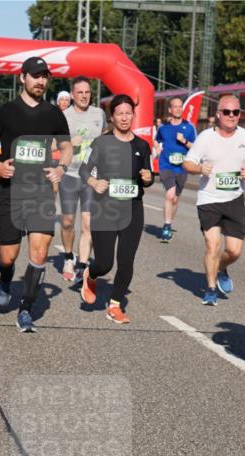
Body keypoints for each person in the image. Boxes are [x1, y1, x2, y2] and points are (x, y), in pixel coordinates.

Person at [0, 56, 72, 333]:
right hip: (11, 192)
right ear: (23, 78)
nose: (41, 81)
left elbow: (66, 147)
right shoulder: (7, 111)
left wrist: (62, 168)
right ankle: (5, 277)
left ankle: (26, 309)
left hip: (41, 192)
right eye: (35, 75)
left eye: (45, 76)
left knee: (39, 254)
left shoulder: (54, 114)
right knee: (8, 257)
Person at [78, 94, 153, 324]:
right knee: (105, 263)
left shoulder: (142, 145)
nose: (124, 118)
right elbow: (83, 170)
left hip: (132, 208)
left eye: (128, 113)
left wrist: (148, 178)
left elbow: (147, 178)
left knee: (126, 260)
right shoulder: (101, 143)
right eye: (120, 113)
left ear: (133, 115)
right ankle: (91, 274)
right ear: (112, 116)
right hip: (105, 208)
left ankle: (115, 304)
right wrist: (93, 182)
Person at [182, 94, 245, 305]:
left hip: (234, 199)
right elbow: (187, 163)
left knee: (234, 251)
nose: (231, 116)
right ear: (218, 114)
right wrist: (199, 168)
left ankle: (222, 267)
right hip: (209, 199)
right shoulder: (206, 137)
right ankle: (210, 289)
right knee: (212, 245)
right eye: (227, 112)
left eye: (236, 112)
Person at [58, 76, 108, 283]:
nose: (84, 96)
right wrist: (69, 142)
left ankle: (82, 265)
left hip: (91, 177)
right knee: (68, 221)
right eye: (80, 92)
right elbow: (52, 144)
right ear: (72, 95)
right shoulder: (63, 116)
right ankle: (69, 257)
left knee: (88, 223)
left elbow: (106, 134)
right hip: (70, 175)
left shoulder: (99, 114)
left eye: (87, 92)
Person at [155, 97, 196, 242]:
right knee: (170, 194)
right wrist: (158, 150)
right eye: (175, 107)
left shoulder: (189, 127)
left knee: (176, 199)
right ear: (170, 110)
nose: (178, 109)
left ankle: (169, 222)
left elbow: (195, 147)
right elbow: (156, 139)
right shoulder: (163, 128)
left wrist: (184, 141)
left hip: (182, 167)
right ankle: (167, 225)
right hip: (166, 165)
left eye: (180, 107)